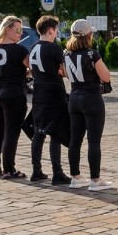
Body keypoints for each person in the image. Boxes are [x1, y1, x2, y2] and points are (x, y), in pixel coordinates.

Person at [64, 19, 114, 191]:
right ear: (88, 35)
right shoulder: (92, 54)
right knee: (94, 141)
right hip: (91, 97)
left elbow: (66, 74)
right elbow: (106, 77)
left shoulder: (66, 54)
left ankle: (75, 177)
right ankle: (95, 180)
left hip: (74, 97)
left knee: (75, 140)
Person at [28, 15, 71, 185]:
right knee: (56, 132)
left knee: (39, 132)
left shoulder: (32, 48)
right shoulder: (54, 49)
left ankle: (36, 170)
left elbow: (32, 70)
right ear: (51, 30)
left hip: (39, 93)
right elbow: (65, 71)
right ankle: (57, 172)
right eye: (56, 30)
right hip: (54, 92)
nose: (56, 33)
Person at [0, 16, 30, 180]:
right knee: (11, 132)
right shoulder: (19, 50)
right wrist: (26, 73)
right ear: (8, 29)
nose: (21, 33)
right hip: (13, 94)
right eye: (18, 30)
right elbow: (31, 68)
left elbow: (5, 68)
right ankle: (9, 169)